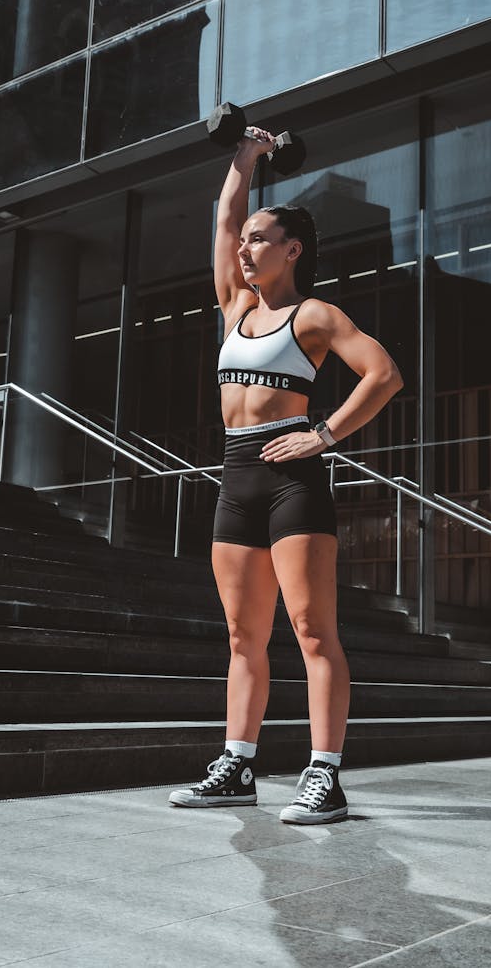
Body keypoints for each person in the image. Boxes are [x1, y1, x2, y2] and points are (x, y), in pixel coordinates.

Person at [169, 126, 403, 823]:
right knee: (243, 637)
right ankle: (237, 764)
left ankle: (324, 775)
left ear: (292, 250)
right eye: (245, 244)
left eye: (259, 241)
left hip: (292, 482)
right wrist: (245, 159)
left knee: (310, 630)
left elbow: (384, 375)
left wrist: (323, 435)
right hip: (236, 477)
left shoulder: (315, 315)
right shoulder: (235, 307)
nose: (244, 248)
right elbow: (224, 217)